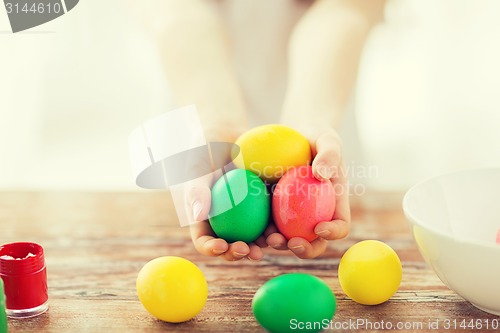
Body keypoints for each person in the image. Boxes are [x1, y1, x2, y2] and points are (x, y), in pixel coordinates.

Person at [140, 0, 386, 260]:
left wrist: (309, 123)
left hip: (318, 109)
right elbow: (180, 12)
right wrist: (217, 121)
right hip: (200, 97)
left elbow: (345, 10)